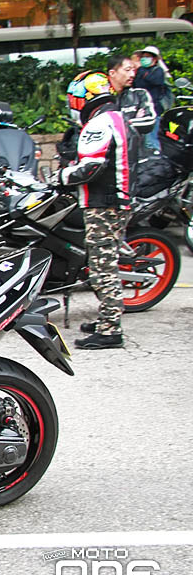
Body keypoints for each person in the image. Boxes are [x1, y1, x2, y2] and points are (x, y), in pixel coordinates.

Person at [56, 71, 135, 350]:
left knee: (103, 267)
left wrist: (62, 177)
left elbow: (91, 167)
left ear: (85, 98)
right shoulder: (117, 117)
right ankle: (106, 319)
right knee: (104, 262)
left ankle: (111, 330)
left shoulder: (98, 124)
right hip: (119, 200)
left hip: (103, 203)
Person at [107, 54, 156, 138]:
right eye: (128, 70)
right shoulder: (101, 98)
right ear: (112, 73)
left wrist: (117, 124)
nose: (132, 74)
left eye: (134, 70)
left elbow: (149, 122)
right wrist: (134, 121)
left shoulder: (140, 94)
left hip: (134, 149)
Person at [133, 46, 169, 151]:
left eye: (147, 57)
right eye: (143, 57)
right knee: (142, 139)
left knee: (151, 139)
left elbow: (156, 81)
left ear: (155, 59)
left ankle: (156, 160)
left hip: (154, 108)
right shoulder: (140, 71)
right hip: (140, 108)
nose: (144, 59)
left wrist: (142, 72)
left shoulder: (158, 71)